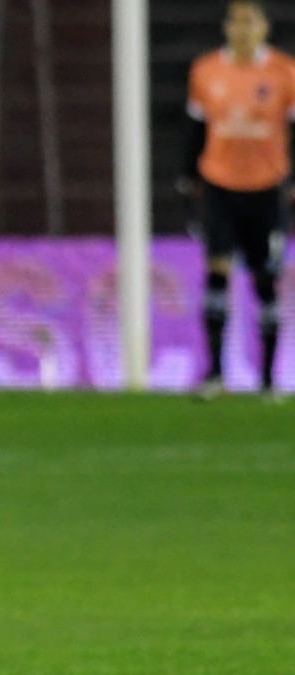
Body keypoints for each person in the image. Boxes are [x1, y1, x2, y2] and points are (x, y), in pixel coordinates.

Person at [179, 0, 294, 401]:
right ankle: (215, 374)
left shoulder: (285, 72)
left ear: (264, 27)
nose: (241, 27)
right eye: (235, 20)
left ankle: (267, 380)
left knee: (265, 278)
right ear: (227, 27)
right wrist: (188, 180)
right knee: (217, 272)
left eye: (249, 20)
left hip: (267, 187)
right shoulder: (206, 71)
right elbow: (195, 130)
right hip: (219, 184)